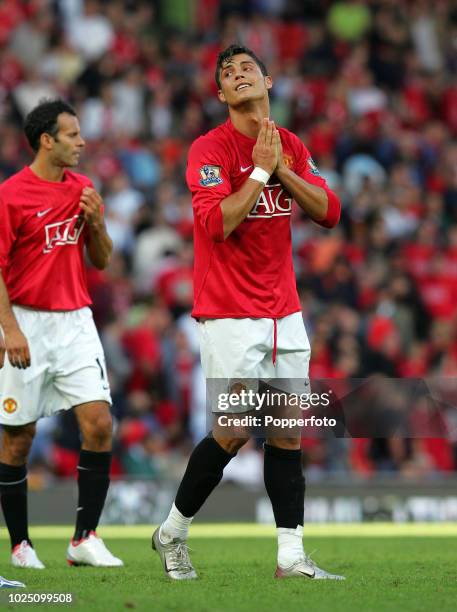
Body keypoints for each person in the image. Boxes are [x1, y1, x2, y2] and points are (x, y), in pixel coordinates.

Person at [152, 45, 344, 580]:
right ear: (220, 94)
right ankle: (172, 533)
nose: (238, 76)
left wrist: (281, 165)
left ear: (269, 80)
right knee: (234, 430)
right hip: (231, 311)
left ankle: (290, 558)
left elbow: (330, 211)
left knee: (286, 432)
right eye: (227, 74)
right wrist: (260, 174)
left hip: (287, 311)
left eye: (246, 69)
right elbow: (217, 224)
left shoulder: (292, 145)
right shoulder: (208, 149)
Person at [0, 99, 123, 569]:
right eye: (72, 134)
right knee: (18, 436)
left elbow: (104, 258)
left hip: (75, 321)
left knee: (98, 423)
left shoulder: (84, 188)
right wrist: (9, 328)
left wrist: (95, 221)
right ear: (46, 140)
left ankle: (84, 538)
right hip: (25, 320)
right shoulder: (11, 195)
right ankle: (20, 545)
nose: (82, 142)